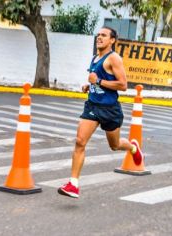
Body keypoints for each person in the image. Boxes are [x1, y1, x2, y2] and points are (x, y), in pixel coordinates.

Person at [58, 26, 144, 198]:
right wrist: (89, 85)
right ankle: (73, 184)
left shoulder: (114, 59)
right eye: (98, 35)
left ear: (112, 40)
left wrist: (98, 80)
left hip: (110, 109)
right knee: (80, 141)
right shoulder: (95, 58)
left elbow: (123, 85)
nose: (99, 37)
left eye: (104, 35)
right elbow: (96, 82)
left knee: (115, 145)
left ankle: (133, 147)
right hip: (92, 106)